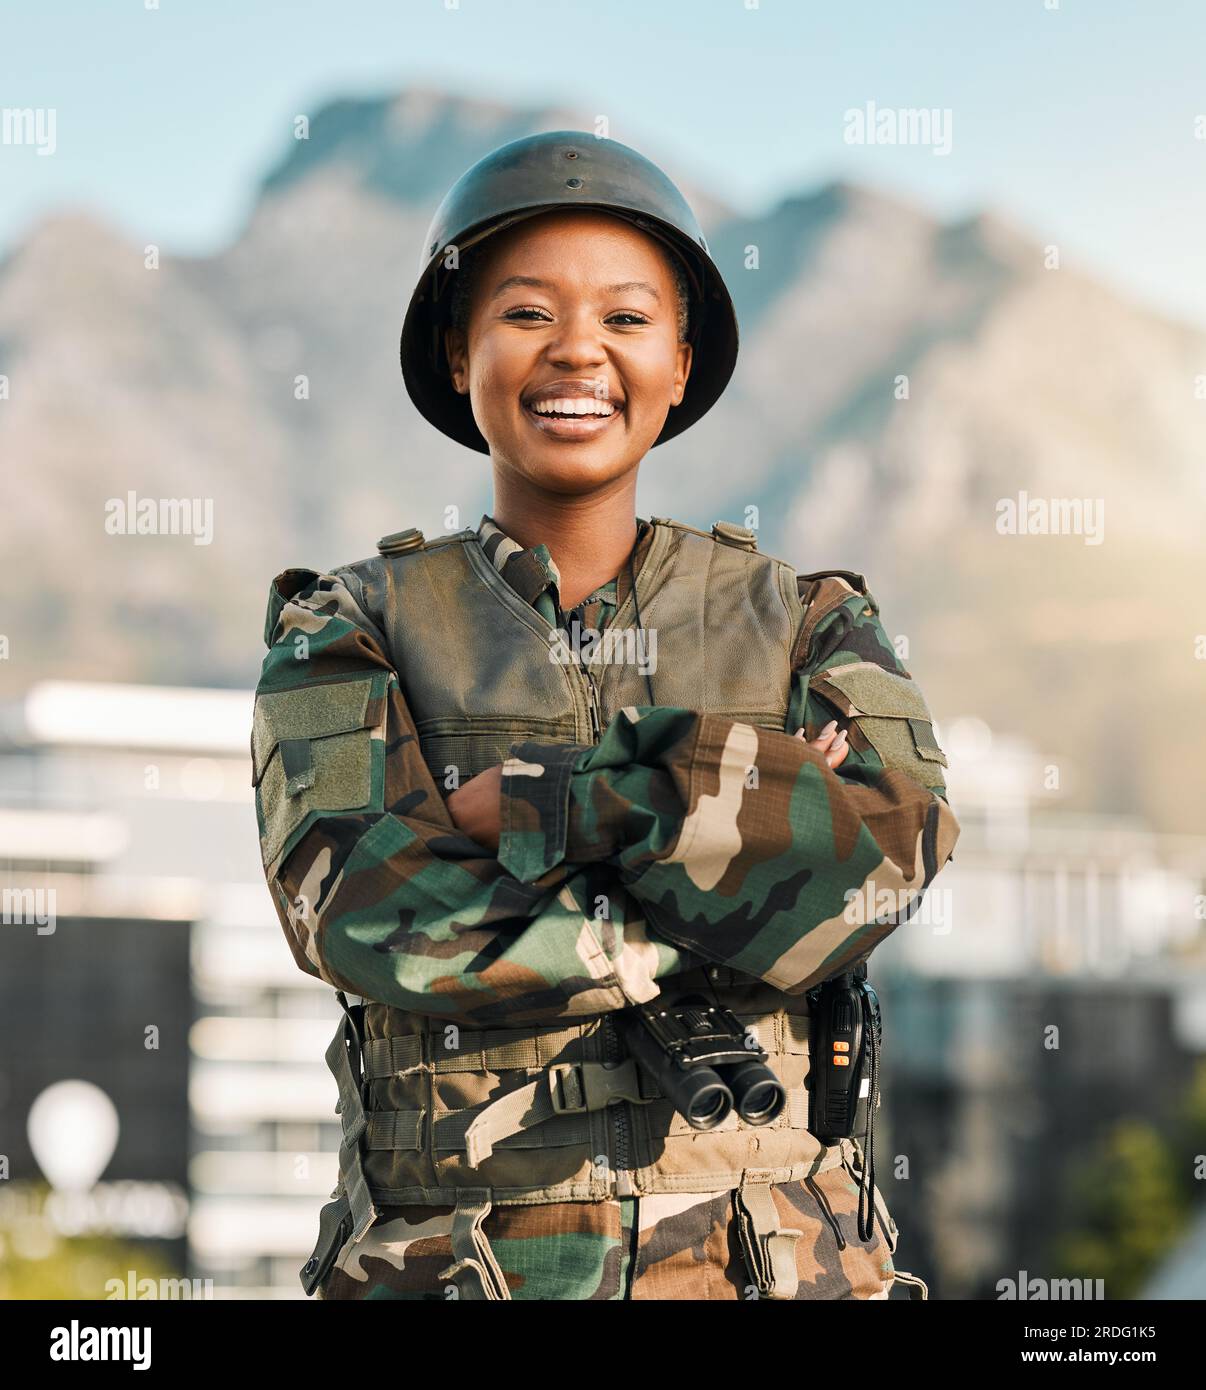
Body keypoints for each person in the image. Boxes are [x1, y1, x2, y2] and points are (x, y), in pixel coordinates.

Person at [250, 131, 960, 1301]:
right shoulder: (346, 630)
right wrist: (748, 862)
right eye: (526, 313)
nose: (579, 349)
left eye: (627, 319)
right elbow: (370, 917)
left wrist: (556, 803)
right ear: (457, 350)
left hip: (776, 1266)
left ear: (680, 363)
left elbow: (887, 863)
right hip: (454, 1265)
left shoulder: (804, 618)